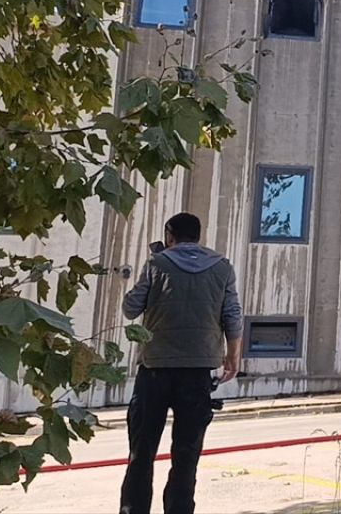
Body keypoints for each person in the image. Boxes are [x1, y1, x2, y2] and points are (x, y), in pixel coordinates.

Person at [119, 212, 242, 514]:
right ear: (198, 236)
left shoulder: (156, 264)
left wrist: (158, 270)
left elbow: (130, 309)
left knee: (141, 453)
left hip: (155, 370)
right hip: (198, 372)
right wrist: (232, 356)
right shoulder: (222, 267)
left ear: (169, 235)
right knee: (186, 456)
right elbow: (233, 316)